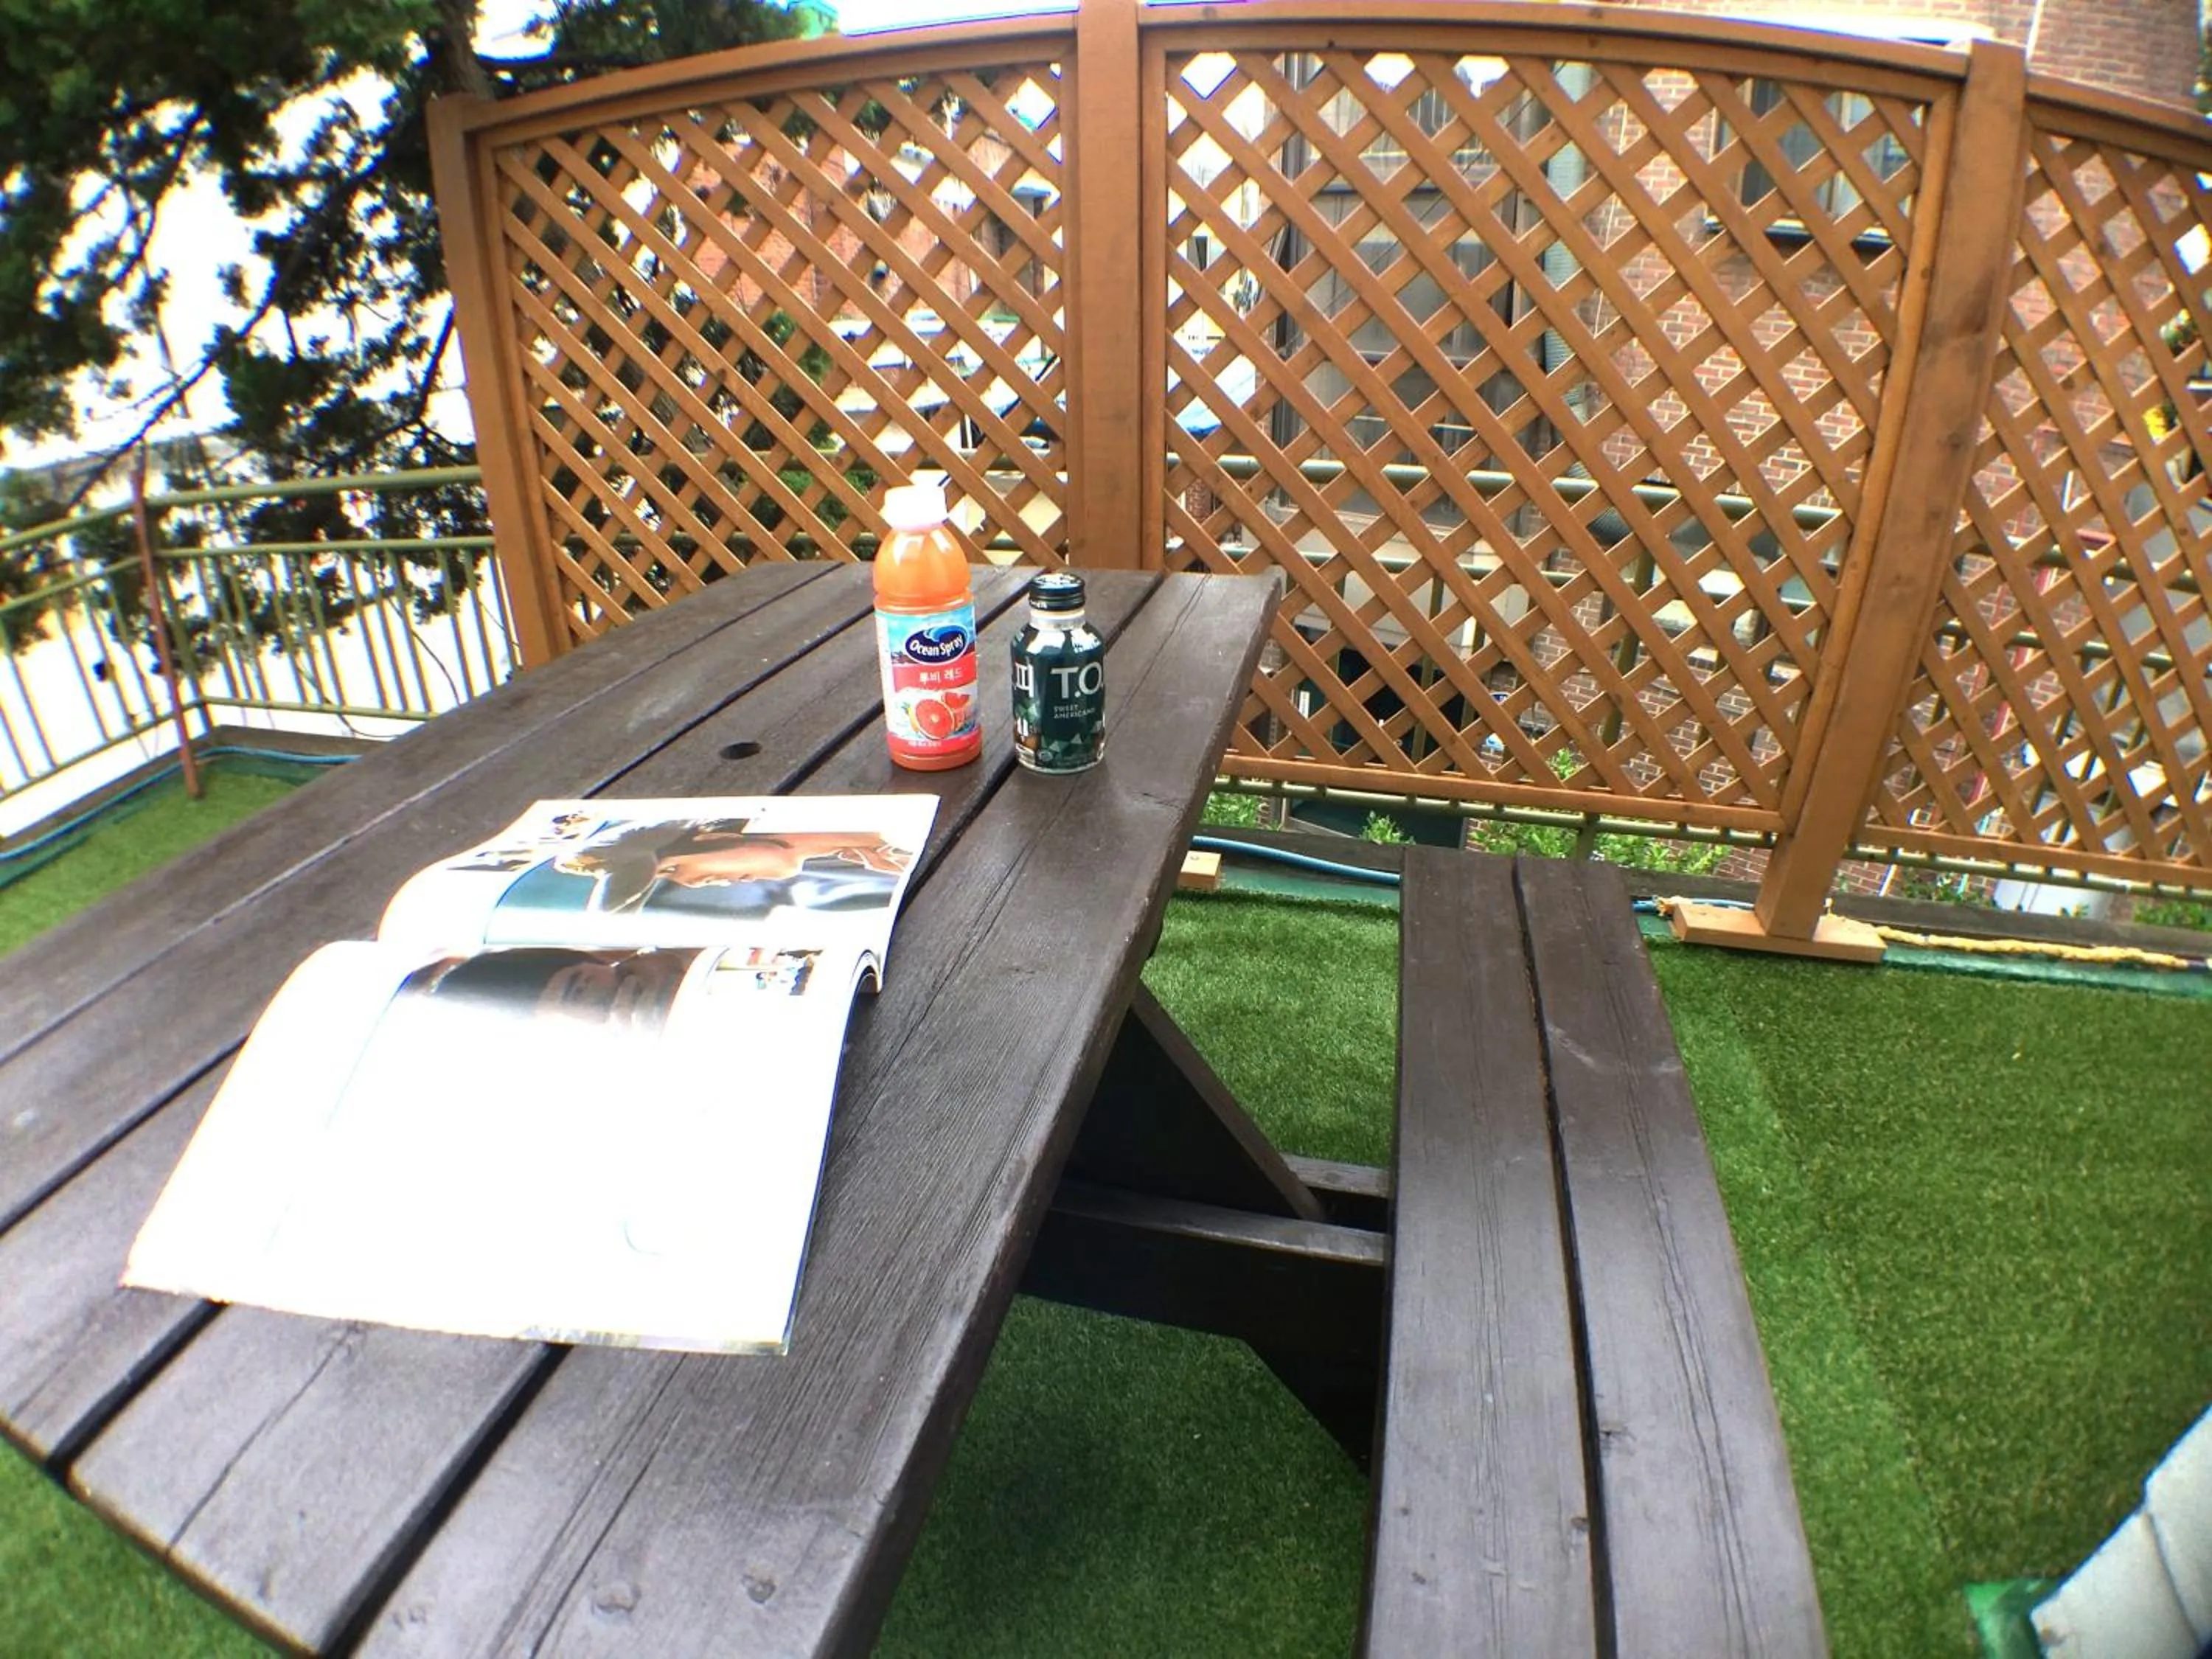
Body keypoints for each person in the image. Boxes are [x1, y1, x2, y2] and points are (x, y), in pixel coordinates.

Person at [552, 818, 914, 917]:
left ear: (708, 838)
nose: (694, 885)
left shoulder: (893, 827)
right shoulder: (870, 865)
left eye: (671, 870)